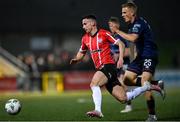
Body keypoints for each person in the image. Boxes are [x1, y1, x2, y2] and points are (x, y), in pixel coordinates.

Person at [70, 14, 164, 118]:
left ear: (93, 23)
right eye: (82, 24)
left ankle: (98, 110)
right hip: (102, 70)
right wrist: (77, 59)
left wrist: (120, 58)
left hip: (108, 66)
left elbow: (123, 45)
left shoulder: (104, 33)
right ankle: (147, 87)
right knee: (123, 98)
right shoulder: (85, 39)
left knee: (94, 84)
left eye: (85, 23)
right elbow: (81, 52)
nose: (83, 26)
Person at [110, 2, 165, 121]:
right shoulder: (132, 25)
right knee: (127, 80)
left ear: (132, 12)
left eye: (124, 12)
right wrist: (134, 57)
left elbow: (133, 38)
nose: (122, 15)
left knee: (145, 83)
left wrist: (117, 31)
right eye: (122, 12)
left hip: (149, 55)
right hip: (140, 57)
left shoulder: (138, 23)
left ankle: (152, 115)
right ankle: (156, 84)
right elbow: (134, 44)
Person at [108, 16, 134, 113]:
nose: (111, 28)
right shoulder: (111, 37)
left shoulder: (123, 37)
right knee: (122, 84)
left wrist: (118, 55)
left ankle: (129, 105)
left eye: (112, 25)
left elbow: (131, 51)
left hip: (125, 64)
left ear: (117, 25)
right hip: (116, 66)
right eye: (110, 26)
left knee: (123, 83)